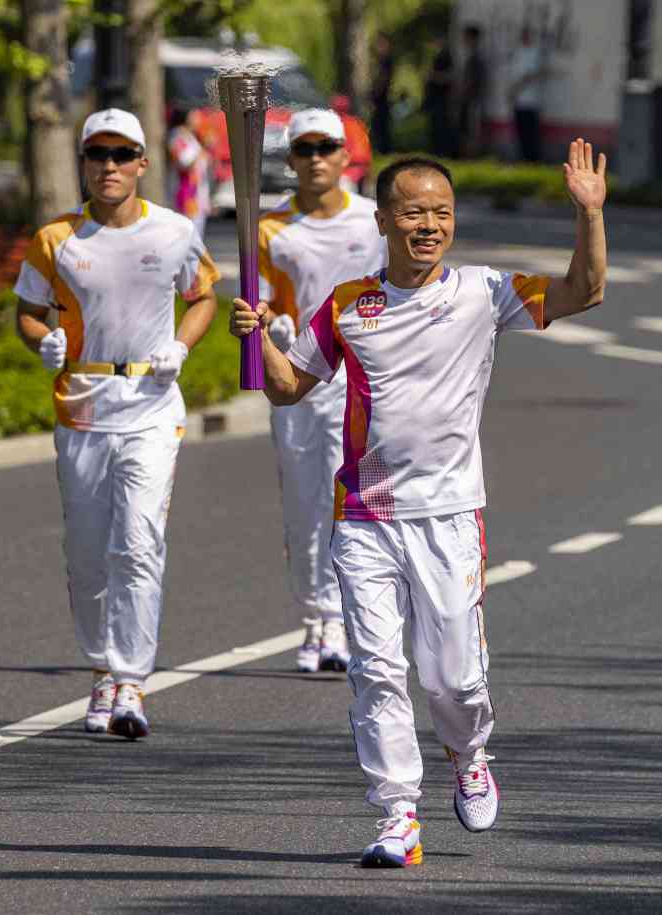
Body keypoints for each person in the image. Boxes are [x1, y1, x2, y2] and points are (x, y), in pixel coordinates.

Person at [230, 140, 608, 866]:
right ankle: (397, 813)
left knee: (453, 676)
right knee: (376, 668)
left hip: (449, 514)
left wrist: (589, 215)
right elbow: (287, 387)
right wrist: (258, 341)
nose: (428, 224)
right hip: (366, 518)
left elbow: (584, 291)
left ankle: (468, 752)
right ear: (384, 219)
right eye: (413, 212)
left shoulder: (483, 292)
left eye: (441, 212)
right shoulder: (348, 306)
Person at [13, 108, 219, 740]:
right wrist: (43, 338)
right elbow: (27, 310)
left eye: (121, 154)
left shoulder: (176, 232)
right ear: (84, 162)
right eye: (98, 154)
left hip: (151, 403)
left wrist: (181, 346)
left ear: (141, 163)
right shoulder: (57, 239)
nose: (109, 166)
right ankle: (101, 666)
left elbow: (204, 295)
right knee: (87, 550)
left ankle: (131, 678)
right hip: (82, 401)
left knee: (138, 540)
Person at [259, 109, 387, 674]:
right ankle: (315, 620)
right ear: (291, 159)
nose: (315, 158)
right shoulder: (269, 230)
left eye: (325, 147)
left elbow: (402, 291)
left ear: (344, 156)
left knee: (357, 505)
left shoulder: (372, 223)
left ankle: (349, 617)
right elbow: (255, 304)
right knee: (305, 505)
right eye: (304, 148)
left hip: (362, 382)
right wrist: (270, 328)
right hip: (299, 381)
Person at [167, 108, 211, 236]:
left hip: (198, 193)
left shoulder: (192, 137)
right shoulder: (176, 137)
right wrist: (203, 149)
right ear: (185, 118)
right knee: (189, 234)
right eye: (194, 116)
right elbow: (184, 164)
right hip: (186, 193)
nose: (198, 119)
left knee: (197, 234)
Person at [507, 26, 545, 162]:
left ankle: (532, 160)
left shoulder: (534, 53)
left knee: (530, 134)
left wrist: (514, 89)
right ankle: (523, 159)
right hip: (519, 100)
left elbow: (529, 75)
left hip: (530, 101)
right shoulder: (518, 53)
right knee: (521, 133)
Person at [423, 37, 457, 158]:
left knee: (441, 124)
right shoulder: (437, 57)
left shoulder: (446, 58)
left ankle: (443, 150)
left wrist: (433, 76)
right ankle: (437, 150)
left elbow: (449, 77)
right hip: (435, 97)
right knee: (436, 125)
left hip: (442, 97)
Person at [458, 25, 487, 158]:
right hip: (469, 99)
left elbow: (474, 80)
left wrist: (465, 91)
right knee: (467, 129)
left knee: (471, 130)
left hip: (473, 99)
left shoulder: (476, 58)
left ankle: (471, 157)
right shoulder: (471, 56)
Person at [369, 34, 396, 155]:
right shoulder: (381, 61)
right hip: (380, 97)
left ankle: (385, 149)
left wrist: (376, 92)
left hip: (382, 97)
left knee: (382, 123)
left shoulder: (387, 61)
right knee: (378, 124)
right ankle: (382, 148)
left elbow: (383, 79)